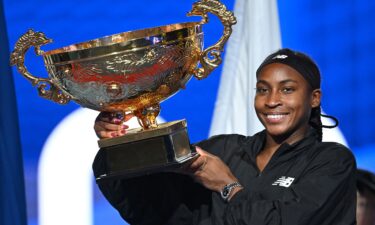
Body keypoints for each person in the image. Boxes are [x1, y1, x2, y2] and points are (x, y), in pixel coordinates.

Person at [93, 48, 357, 225]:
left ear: (314, 98)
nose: (272, 101)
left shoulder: (332, 162)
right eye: (263, 90)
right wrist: (116, 147)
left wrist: (228, 186)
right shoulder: (225, 149)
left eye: (287, 90)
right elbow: (148, 207)